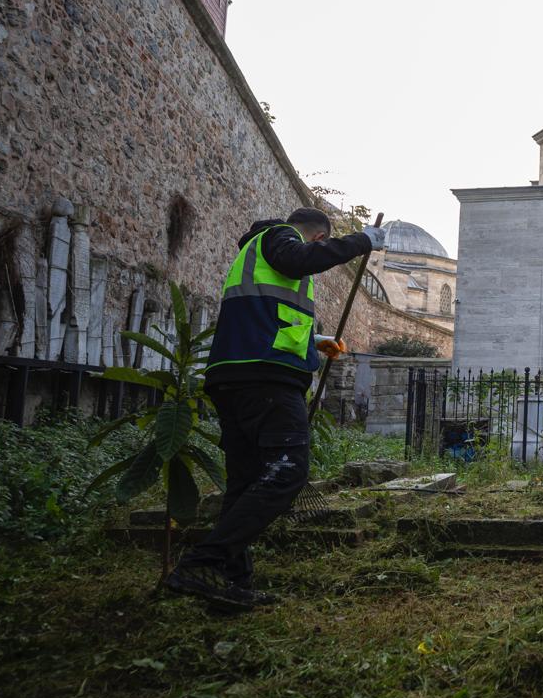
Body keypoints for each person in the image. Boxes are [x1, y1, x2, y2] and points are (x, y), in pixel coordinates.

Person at [163, 207, 385, 610]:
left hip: (238, 375)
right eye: (320, 245)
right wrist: (362, 241)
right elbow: (298, 261)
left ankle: (232, 585)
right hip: (265, 379)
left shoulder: (258, 253)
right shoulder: (278, 238)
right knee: (287, 472)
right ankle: (202, 561)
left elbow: (266, 315)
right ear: (317, 238)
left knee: (245, 483)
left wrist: (314, 341)